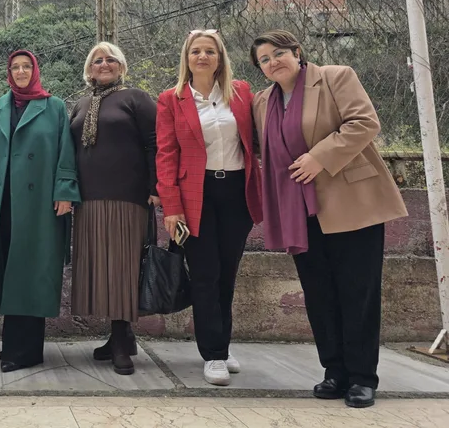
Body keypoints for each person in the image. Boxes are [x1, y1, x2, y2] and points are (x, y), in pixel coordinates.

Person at [250, 30, 407, 409]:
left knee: (358, 291)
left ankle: (362, 378)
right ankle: (335, 372)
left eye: (279, 53)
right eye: (264, 60)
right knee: (319, 293)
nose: (273, 62)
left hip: (352, 204)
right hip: (298, 211)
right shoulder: (262, 101)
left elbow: (364, 122)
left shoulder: (336, 77)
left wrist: (319, 157)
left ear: (297, 52)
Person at [156, 29, 262, 387]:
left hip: (236, 192)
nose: (202, 57)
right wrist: (171, 208)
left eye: (210, 51)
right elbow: (166, 155)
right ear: (186, 58)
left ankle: (222, 344)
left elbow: (256, 142)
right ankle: (213, 354)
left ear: (220, 58)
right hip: (194, 195)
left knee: (227, 274)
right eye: (196, 51)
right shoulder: (171, 99)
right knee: (205, 274)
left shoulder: (241, 93)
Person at [0, 50, 79, 372]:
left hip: (40, 205)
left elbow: (66, 151)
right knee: (10, 269)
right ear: (9, 72)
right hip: (4, 202)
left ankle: (26, 350)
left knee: (33, 271)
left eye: (26, 66)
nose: (20, 72)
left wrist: (65, 192)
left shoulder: (54, 107)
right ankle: (13, 345)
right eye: (15, 67)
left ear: (35, 71)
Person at [69, 42, 158, 376]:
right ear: (89, 69)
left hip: (128, 197)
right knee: (101, 268)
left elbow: (155, 143)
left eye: (110, 59)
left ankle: (121, 341)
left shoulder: (136, 98)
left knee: (122, 267)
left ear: (121, 66)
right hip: (89, 199)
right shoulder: (81, 104)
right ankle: (120, 335)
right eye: (97, 60)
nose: (103, 64)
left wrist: (156, 187)